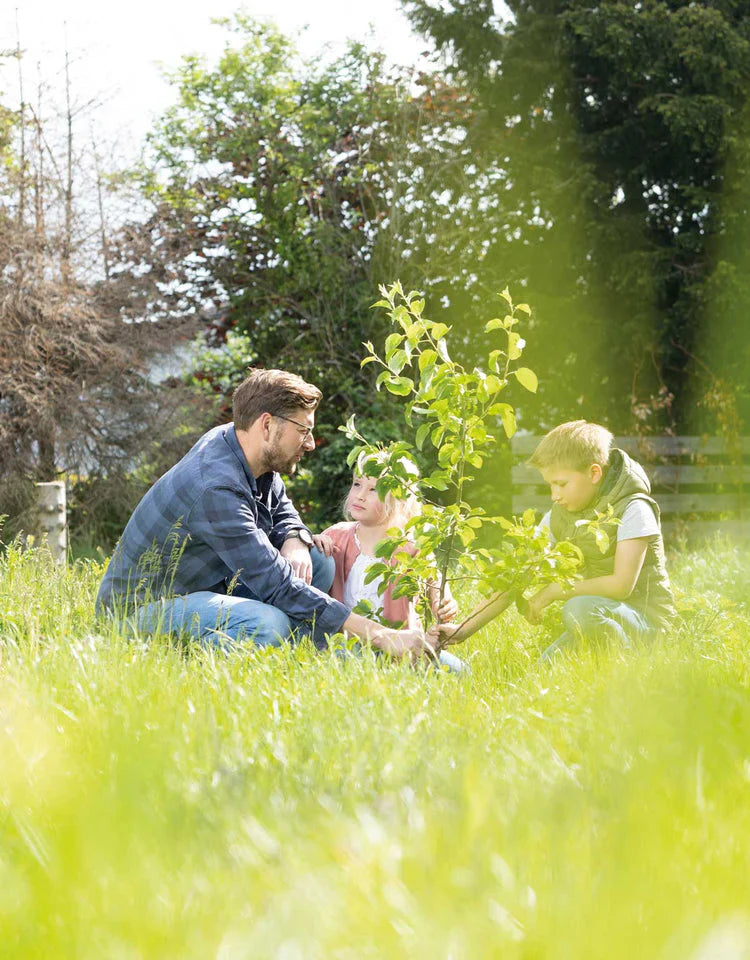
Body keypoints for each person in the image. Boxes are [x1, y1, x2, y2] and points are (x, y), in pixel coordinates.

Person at [96, 368, 434, 661]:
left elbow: (281, 507)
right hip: (138, 611)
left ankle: (310, 646)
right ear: (268, 425)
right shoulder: (215, 487)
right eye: (303, 431)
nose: (311, 443)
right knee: (269, 624)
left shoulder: (238, 443)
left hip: (205, 588)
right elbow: (276, 583)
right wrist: (380, 635)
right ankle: (184, 661)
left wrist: (293, 537)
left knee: (317, 562)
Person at [431, 420, 676, 657]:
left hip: (647, 623)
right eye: (550, 485)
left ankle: (631, 668)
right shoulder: (559, 517)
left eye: (561, 484)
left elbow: (621, 585)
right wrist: (464, 629)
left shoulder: (634, 508)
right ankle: (604, 661)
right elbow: (516, 575)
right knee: (543, 671)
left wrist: (553, 592)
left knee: (579, 608)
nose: (554, 495)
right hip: (598, 616)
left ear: (594, 473)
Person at [321, 468, 468, 672]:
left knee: (459, 670)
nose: (360, 495)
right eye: (357, 484)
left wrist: (442, 601)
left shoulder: (408, 545)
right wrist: (313, 541)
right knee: (348, 663)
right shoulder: (336, 535)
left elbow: (432, 576)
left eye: (373, 489)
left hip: (401, 647)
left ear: (398, 501)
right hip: (347, 642)